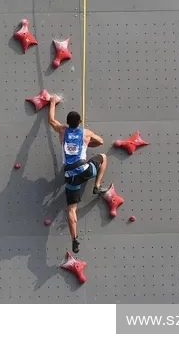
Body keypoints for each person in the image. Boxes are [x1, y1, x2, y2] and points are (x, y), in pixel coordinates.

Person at [48, 95, 110, 254]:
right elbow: (101, 141)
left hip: (71, 177)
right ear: (80, 121)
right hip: (85, 170)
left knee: (71, 210)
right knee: (103, 157)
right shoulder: (86, 133)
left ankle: (74, 239)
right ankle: (97, 186)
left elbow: (51, 120)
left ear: (67, 123)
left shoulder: (62, 130)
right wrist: (88, 143)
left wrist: (53, 101)